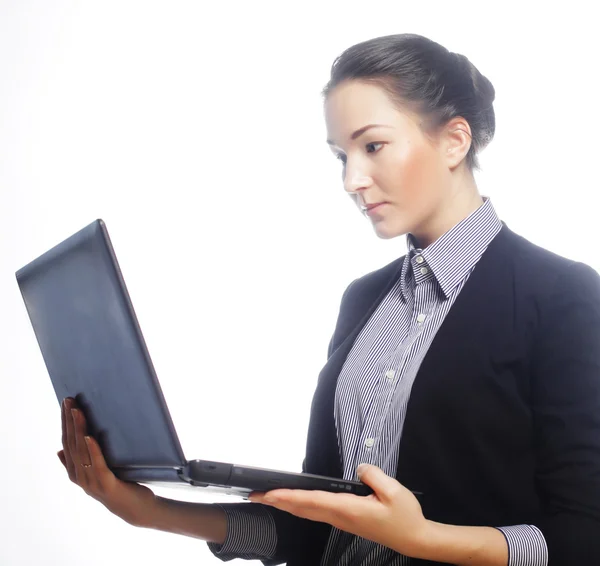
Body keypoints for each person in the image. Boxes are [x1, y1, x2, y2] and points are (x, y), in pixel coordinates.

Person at [59, 33, 600, 566]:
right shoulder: (364, 301)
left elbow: (584, 536)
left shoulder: (560, 297)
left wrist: (424, 539)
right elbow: (313, 530)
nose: (351, 179)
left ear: (455, 140)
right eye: (341, 155)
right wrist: (148, 510)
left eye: (372, 146)